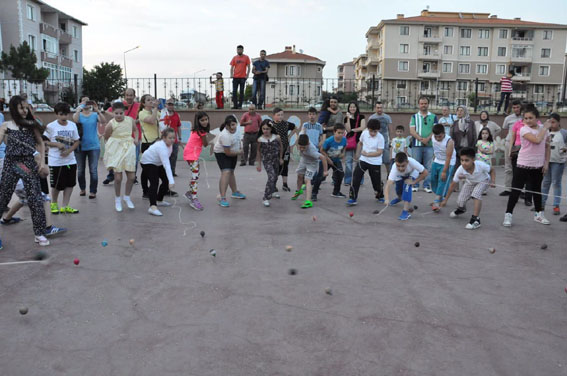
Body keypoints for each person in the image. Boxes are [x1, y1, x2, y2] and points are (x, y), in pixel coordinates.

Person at [0, 96, 50, 246]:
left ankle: (39, 233)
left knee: (35, 198)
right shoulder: (6, 125)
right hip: (11, 163)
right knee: (3, 197)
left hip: (27, 163)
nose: (24, 111)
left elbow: (40, 143)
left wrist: (41, 162)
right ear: (14, 109)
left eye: (26, 107)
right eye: (21, 108)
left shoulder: (31, 124)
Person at [503, 105, 551, 227]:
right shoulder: (524, 129)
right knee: (516, 190)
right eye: (526, 118)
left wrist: (546, 163)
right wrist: (545, 128)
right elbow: (537, 140)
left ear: (537, 118)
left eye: (531, 118)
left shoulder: (543, 129)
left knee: (537, 190)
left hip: (538, 165)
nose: (528, 120)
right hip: (523, 164)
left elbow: (547, 146)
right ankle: (508, 215)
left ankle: (539, 214)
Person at [441, 147, 495, 230]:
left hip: (483, 181)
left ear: (473, 159)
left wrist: (493, 181)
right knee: (460, 201)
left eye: (466, 160)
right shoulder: (460, 169)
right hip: (470, 182)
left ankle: (475, 220)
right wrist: (445, 200)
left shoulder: (480, 165)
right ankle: (461, 209)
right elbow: (452, 185)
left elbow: (492, 170)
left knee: (476, 195)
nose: (463, 163)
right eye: (462, 160)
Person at [44, 102, 80, 215]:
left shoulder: (72, 125)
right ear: (56, 114)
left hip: (70, 160)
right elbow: (44, 141)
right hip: (55, 161)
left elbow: (77, 141)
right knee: (56, 185)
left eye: (66, 114)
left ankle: (65, 206)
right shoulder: (50, 126)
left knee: (70, 184)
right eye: (61, 114)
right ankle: (54, 204)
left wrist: (69, 151)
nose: (64, 117)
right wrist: (56, 145)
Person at [103, 102, 139, 212]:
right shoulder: (111, 123)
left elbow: (135, 130)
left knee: (132, 177)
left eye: (121, 113)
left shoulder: (130, 120)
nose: (119, 115)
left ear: (124, 112)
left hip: (129, 148)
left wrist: (136, 139)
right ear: (113, 113)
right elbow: (106, 136)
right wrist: (110, 149)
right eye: (116, 113)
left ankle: (127, 197)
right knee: (118, 178)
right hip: (116, 149)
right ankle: (117, 198)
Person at [103, 88, 140, 185]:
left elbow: (143, 114)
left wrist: (137, 120)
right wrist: (118, 116)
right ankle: (111, 176)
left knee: (133, 159)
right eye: (127, 95)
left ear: (134, 96)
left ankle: (133, 177)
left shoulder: (138, 106)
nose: (129, 97)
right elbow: (107, 111)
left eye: (131, 95)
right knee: (115, 159)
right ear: (124, 96)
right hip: (118, 139)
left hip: (132, 137)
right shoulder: (120, 105)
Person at [73, 97, 106, 199]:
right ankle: (82, 189)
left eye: (88, 100)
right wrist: (79, 108)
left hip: (94, 146)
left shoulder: (94, 115)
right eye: (84, 100)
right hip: (80, 146)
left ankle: (93, 191)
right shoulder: (78, 114)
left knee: (93, 170)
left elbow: (103, 121)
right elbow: (75, 120)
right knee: (81, 170)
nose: (86, 102)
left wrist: (98, 110)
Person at [346, 119, 384, 206]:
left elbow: (379, 152)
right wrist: (357, 155)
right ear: (368, 128)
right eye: (371, 131)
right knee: (356, 178)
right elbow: (360, 143)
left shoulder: (380, 137)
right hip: (363, 160)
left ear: (378, 130)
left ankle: (380, 194)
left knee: (376, 182)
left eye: (375, 131)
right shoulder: (364, 133)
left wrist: (368, 154)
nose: (372, 133)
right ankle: (353, 197)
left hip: (375, 162)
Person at [141, 128, 176, 216]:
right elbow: (167, 165)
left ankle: (159, 200)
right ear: (164, 138)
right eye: (170, 138)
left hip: (157, 162)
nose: (172, 140)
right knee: (154, 182)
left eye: (173, 138)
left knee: (165, 180)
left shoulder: (169, 145)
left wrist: (170, 180)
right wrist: (172, 181)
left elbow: (165, 162)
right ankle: (152, 207)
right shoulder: (161, 147)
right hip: (147, 162)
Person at [383, 152, 428, 221]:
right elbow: (388, 185)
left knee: (407, 187)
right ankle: (399, 198)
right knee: (398, 190)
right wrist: (386, 199)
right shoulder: (394, 168)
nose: (400, 168)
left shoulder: (412, 162)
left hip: (411, 174)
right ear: (395, 162)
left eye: (403, 166)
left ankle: (405, 212)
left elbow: (425, 173)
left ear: (407, 162)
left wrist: (414, 182)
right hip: (400, 176)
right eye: (398, 166)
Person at [214, 115, 246, 207]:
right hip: (222, 153)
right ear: (227, 126)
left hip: (234, 151)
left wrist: (240, 148)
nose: (233, 127)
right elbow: (227, 153)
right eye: (231, 125)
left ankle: (235, 192)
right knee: (226, 172)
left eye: (234, 124)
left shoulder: (237, 129)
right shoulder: (225, 135)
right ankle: (222, 198)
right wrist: (240, 152)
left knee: (231, 172)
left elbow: (238, 139)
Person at [183, 111, 210, 211]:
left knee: (196, 174)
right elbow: (206, 144)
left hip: (190, 154)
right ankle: (194, 199)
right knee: (195, 175)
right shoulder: (201, 132)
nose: (204, 122)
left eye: (206, 119)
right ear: (198, 121)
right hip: (191, 155)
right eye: (202, 120)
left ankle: (190, 193)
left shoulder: (197, 130)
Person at [409, 96, 437, 192]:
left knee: (428, 166)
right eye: (421, 103)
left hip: (429, 146)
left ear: (428, 104)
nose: (423, 105)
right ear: (419, 104)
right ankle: (415, 184)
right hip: (416, 145)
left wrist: (428, 139)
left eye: (425, 103)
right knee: (415, 166)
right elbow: (412, 131)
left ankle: (426, 185)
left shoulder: (433, 116)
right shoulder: (414, 117)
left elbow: (435, 130)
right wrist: (421, 139)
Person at [312, 123, 347, 199]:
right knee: (320, 176)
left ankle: (336, 192)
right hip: (325, 161)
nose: (340, 135)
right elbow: (322, 151)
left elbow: (344, 148)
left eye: (342, 133)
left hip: (336, 160)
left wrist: (343, 154)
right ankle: (314, 193)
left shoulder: (344, 140)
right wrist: (328, 159)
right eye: (339, 133)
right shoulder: (329, 141)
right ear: (334, 132)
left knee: (340, 174)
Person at [508, 103, 533, 206]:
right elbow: (512, 138)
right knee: (516, 175)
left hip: (530, 152)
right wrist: (510, 151)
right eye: (524, 113)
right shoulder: (517, 124)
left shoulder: (536, 124)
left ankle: (528, 198)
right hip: (517, 151)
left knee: (529, 177)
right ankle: (515, 196)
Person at [293, 134, 328, 209]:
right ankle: (299, 191)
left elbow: (323, 158)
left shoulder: (312, 150)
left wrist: (325, 171)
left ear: (308, 144)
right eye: (300, 147)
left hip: (312, 164)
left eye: (304, 147)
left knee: (307, 180)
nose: (302, 149)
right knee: (299, 176)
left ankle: (308, 201)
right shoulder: (301, 140)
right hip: (304, 160)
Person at [541, 113, 566, 216]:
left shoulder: (564, 133)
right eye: (550, 122)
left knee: (556, 183)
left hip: (558, 162)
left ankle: (556, 205)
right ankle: (541, 204)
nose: (552, 124)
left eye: (554, 122)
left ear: (558, 122)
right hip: (547, 161)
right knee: (546, 182)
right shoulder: (546, 132)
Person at [138, 94, 162, 199]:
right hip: (147, 143)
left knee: (158, 167)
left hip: (157, 142)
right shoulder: (142, 113)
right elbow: (151, 121)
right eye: (148, 100)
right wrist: (156, 108)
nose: (151, 101)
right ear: (143, 103)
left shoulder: (156, 112)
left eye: (152, 99)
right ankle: (145, 190)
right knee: (146, 169)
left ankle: (158, 188)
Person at [256, 119, 283, 207]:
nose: (265, 131)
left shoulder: (276, 137)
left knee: (275, 176)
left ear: (271, 129)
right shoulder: (260, 139)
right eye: (263, 129)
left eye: (267, 129)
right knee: (271, 177)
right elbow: (258, 151)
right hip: (267, 161)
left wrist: (281, 158)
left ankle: (274, 190)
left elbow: (281, 147)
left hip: (276, 160)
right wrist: (258, 163)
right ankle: (266, 197)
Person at [430, 124, 456, 211]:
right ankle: (439, 196)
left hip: (448, 162)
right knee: (433, 179)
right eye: (436, 136)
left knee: (442, 180)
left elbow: (448, 157)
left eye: (440, 136)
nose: (437, 138)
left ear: (444, 133)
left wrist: (444, 171)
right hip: (437, 160)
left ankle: (437, 201)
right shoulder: (433, 137)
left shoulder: (449, 141)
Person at [500, 100, 523, 196]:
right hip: (510, 143)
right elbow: (505, 130)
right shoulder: (508, 118)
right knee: (508, 166)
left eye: (518, 107)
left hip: (522, 144)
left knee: (521, 167)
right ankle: (508, 188)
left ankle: (521, 190)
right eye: (514, 107)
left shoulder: (525, 117)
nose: (516, 109)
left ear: (521, 107)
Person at [271, 107, 296, 191]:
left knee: (285, 166)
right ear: (274, 116)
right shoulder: (270, 125)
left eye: (282, 115)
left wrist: (289, 136)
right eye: (278, 115)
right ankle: (273, 185)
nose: (280, 117)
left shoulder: (286, 124)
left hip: (286, 149)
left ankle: (285, 184)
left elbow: (294, 128)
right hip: (275, 149)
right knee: (276, 167)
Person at [343, 102, 366, 185]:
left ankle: (359, 180)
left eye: (354, 107)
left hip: (359, 141)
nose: (352, 108)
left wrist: (353, 130)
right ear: (348, 109)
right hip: (349, 142)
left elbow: (363, 127)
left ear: (357, 108)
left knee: (359, 161)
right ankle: (348, 180)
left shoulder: (361, 117)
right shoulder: (346, 118)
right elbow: (348, 129)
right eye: (350, 107)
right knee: (348, 161)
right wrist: (348, 118)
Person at [159, 99, 182, 177]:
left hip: (174, 139)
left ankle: (172, 171)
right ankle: (164, 172)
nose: (170, 106)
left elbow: (179, 127)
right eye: (169, 104)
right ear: (166, 105)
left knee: (174, 156)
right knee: (165, 156)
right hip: (165, 140)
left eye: (172, 104)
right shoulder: (163, 114)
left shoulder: (176, 115)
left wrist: (180, 138)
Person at [368, 101, 393, 173]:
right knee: (376, 160)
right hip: (375, 142)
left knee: (387, 160)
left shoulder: (387, 117)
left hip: (385, 141)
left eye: (381, 108)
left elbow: (390, 129)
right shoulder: (371, 118)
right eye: (378, 108)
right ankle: (378, 177)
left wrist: (391, 140)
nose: (379, 109)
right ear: (375, 108)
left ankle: (389, 174)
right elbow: (369, 130)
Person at [450, 105, 476, 171]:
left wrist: (473, 147)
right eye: (458, 111)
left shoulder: (471, 123)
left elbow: (474, 135)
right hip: (458, 148)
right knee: (458, 168)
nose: (459, 112)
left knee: (468, 167)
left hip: (468, 147)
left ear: (465, 112)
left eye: (461, 110)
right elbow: (452, 136)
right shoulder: (455, 123)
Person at [230, 45, 251, 109]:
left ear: (242, 50)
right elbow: (232, 67)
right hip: (235, 77)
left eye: (240, 49)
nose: (239, 51)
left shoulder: (246, 57)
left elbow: (249, 67)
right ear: (237, 50)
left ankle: (240, 105)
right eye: (238, 49)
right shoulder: (234, 58)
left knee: (241, 91)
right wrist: (231, 74)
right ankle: (235, 105)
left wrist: (247, 75)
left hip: (242, 77)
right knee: (234, 92)